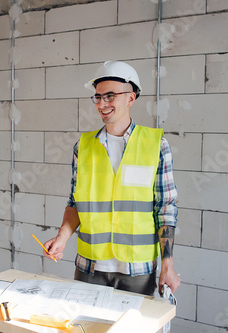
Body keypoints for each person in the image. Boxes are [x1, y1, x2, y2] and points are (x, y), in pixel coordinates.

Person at [43, 61, 181, 296]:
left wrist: (167, 264)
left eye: (110, 96)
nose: (102, 104)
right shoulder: (84, 146)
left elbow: (165, 208)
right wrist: (62, 238)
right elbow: (75, 203)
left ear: (131, 98)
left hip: (138, 270)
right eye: (97, 97)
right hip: (89, 267)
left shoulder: (156, 146)